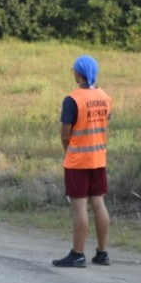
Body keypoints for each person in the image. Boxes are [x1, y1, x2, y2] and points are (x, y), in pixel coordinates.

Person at [53, 55, 113, 268]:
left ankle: (78, 254)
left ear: (78, 73)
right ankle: (102, 253)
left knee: (80, 207)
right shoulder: (105, 97)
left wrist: (68, 151)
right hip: (99, 158)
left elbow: (64, 134)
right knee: (99, 204)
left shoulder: (72, 99)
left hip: (78, 161)